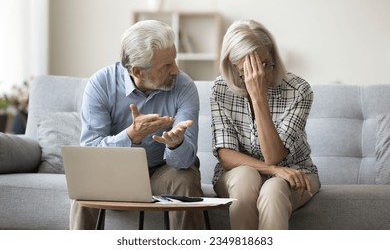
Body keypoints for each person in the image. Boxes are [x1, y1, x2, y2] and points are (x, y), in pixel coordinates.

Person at [70, 20, 204, 230]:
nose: (176, 70)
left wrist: (176, 144)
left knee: (185, 178)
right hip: (115, 174)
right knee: (85, 186)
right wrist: (130, 136)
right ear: (138, 71)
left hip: (163, 172)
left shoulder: (184, 86)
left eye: (174, 60)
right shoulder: (101, 84)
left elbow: (185, 161)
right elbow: (90, 152)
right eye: (167, 65)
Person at [210, 19, 321, 230]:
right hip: (239, 175)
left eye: (266, 65)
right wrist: (272, 170)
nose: (261, 75)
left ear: (274, 58)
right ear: (234, 68)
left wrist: (258, 97)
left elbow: (274, 156)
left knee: (273, 190)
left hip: (295, 173)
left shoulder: (299, 90)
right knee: (245, 176)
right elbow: (226, 156)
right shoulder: (220, 89)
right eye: (248, 70)